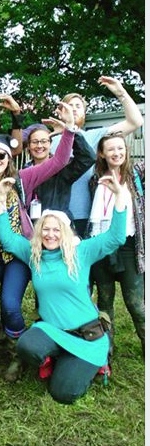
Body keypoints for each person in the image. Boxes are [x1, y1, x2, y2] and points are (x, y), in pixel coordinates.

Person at [0, 172, 127, 404]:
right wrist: (1, 198)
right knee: (27, 345)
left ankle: (94, 363)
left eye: (56, 229)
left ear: (65, 232)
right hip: (52, 330)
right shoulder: (34, 255)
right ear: (39, 231)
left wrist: (119, 196)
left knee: (62, 394)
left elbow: (116, 238)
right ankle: (58, 357)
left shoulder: (81, 253)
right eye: (45, 229)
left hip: (86, 336)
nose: (50, 234)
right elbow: (7, 238)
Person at [0, 105, 76, 381]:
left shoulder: (23, 179)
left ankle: (16, 353)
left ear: (8, 159)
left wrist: (68, 130)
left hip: (18, 253)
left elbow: (58, 162)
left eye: (1, 156)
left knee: (10, 305)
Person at [51, 76, 143, 236]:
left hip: (90, 213)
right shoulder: (49, 141)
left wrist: (121, 93)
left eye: (78, 106)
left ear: (85, 113)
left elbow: (135, 122)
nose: (73, 109)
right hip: (57, 214)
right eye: (69, 105)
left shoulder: (97, 136)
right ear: (60, 112)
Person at [88, 132, 145, 357]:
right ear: (102, 153)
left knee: (136, 304)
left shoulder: (137, 174)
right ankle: (106, 349)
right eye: (111, 149)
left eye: (120, 148)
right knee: (105, 301)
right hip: (102, 246)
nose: (116, 153)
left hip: (129, 246)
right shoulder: (95, 179)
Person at [22, 118, 95, 220]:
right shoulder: (24, 173)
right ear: (28, 146)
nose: (39, 145)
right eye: (35, 142)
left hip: (57, 227)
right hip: (31, 229)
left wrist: (71, 133)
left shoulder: (63, 168)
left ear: (50, 144)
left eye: (44, 141)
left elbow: (88, 158)